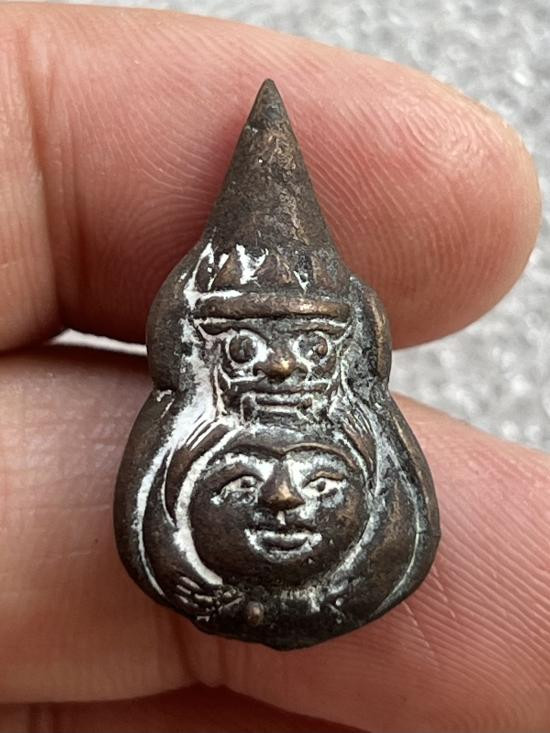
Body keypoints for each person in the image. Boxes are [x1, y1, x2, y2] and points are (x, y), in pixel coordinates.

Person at [0, 4, 547, 731]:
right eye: (247, 349)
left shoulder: (359, 422)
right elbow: (154, 526)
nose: (284, 369)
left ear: (351, 346)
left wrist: (337, 592)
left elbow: (401, 525)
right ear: (200, 346)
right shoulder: (188, 423)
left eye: (313, 349)